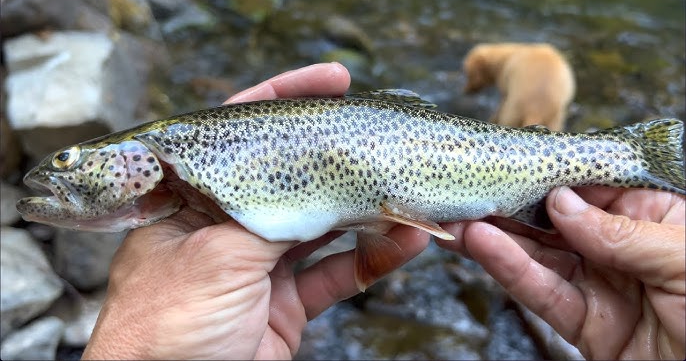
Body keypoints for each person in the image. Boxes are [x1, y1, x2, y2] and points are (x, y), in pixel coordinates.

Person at [83, 63, 685, 360]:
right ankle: (637, 151)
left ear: (142, 166)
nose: (63, 179)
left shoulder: (173, 158)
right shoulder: (172, 159)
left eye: (70, 166)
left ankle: (636, 151)